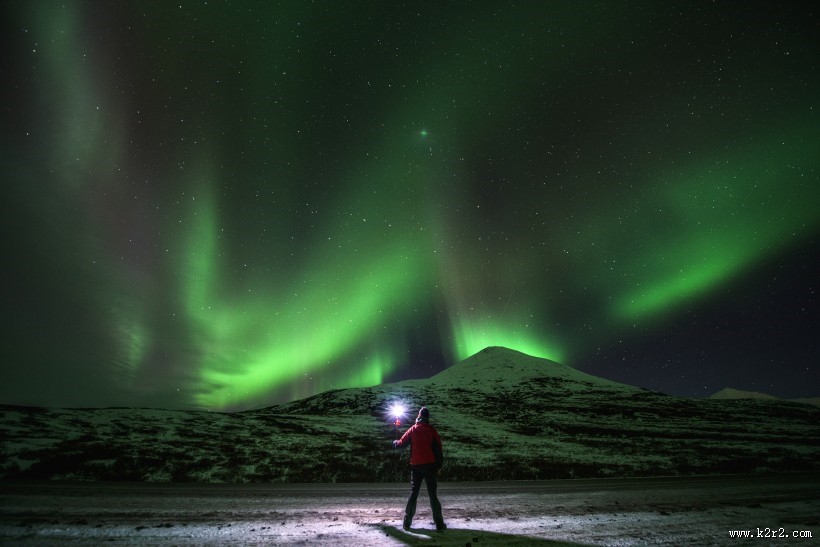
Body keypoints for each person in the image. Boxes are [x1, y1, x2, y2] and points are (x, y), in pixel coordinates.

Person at [392, 406, 446, 532]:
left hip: (416, 466)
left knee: (414, 493)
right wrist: (439, 466)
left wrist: (395, 443)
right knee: (433, 495)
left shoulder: (413, 430)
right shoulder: (432, 430)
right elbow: (438, 450)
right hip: (430, 467)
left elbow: (401, 443)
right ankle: (439, 524)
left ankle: (407, 523)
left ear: (419, 416)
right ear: (427, 417)